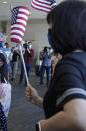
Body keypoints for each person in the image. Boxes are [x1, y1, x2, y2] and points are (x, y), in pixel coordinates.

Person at [26, 1, 86, 130]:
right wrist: (38, 100)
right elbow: (65, 105)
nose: (50, 34)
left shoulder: (69, 64)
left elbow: (78, 117)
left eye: (52, 28)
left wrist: (41, 126)